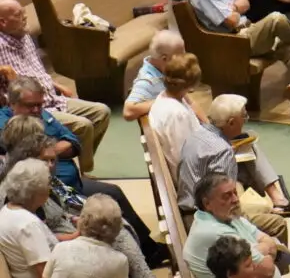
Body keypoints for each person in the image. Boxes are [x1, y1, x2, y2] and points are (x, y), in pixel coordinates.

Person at [1, 78, 169, 268]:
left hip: (69, 181)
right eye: (30, 106)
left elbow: (74, 143)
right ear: (12, 104)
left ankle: (149, 250)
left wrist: (48, 150)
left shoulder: (43, 115)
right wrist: (48, 152)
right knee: (106, 211)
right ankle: (139, 265)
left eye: (40, 105)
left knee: (114, 192)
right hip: (55, 192)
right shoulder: (9, 124)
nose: (36, 110)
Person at [0, 131, 172, 278]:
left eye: (53, 160)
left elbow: (62, 208)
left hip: (67, 228)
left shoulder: (45, 183)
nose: (50, 165)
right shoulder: (29, 199)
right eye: (45, 160)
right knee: (112, 230)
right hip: (64, 249)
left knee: (112, 218)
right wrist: (77, 233)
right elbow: (46, 268)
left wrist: (76, 219)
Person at [0, 0, 110, 174]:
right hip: (33, 107)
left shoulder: (24, 35)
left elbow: (35, 69)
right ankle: (83, 173)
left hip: (52, 97)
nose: (25, 17)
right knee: (84, 126)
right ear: (3, 22)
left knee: (102, 112)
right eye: (19, 14)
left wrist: (56, 84)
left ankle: (79, 162)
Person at [177, 93, 290, 240]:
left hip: (189, 205)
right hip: (206, 219)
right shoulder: (222, 150)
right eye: (243, 117)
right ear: (231, 122)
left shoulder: (197, 134)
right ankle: (262, 261)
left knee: (263, 206)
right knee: (278, 223)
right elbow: (225, 203)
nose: (245, 121)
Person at [0, 158, 56, 278]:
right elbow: (46, 275)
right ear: (36, 191)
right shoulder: (28, 225)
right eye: (47, 184)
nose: (50, 188)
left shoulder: (7, 211)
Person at [124, 31, 208, 124]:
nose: (183, 60)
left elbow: (190, 102)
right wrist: (165, 100)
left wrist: (209, 127)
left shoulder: (167, 71)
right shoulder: (147, 81)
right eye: (180, 57)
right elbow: (128, 111)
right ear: (164, 59)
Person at [148, 53, 203, 178]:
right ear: (191, 86)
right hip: (193, 180)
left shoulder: (165, 97)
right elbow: (184, 160)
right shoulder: (177, 114)